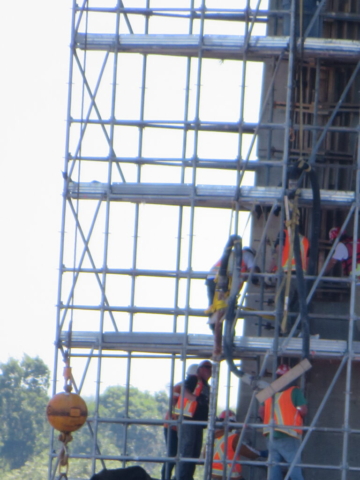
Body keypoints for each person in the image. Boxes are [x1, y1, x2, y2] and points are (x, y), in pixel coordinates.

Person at [205, 246, 260, 359]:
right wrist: (256, 277)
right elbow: (253, 270)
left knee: (216, 309)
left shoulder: (232, 254)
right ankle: (229, 341)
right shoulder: (247, 254)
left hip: (213, 279)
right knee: (229, 312)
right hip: (225, 283)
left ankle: (217, 335)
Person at [258, 364, 308, 480]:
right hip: (288, 433)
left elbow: (261, 411)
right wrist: (296, 413)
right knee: (294, 465)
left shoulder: (268, 390)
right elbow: (303, 410)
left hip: (270, 434)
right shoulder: (294, 391)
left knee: (273, 465)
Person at [174, 360, 212, 480]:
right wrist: (196, 398)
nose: (209, 371)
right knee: (187, 450)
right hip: (188, 420)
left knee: (194, 452)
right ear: (200, 370)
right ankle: (181, 477)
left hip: (197, 422)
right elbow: (184, 392)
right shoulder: (194, 380)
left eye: (210, 368)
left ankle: (187, 477)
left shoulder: (204, 384)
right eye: (207, 367)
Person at [161, 364, 198, 480]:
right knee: (172, 454)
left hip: (183, 427)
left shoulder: (195, 388)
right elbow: (172, 401)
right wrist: (175, 417)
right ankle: (165, 477)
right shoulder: (181, 387)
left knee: (184, 454)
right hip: (172, 425)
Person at [212, 410, 267, 480]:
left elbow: (205, 455)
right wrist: (261, 453)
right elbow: (248, 452)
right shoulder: (232, 437)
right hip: (230, 475)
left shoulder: (212, 438)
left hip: (214, 475)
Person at [325, 227, 360, 330]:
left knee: (358, 312)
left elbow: (333, 262)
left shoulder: (342, 245)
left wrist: (320, 274)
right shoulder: (357, 242)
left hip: (358, 283)